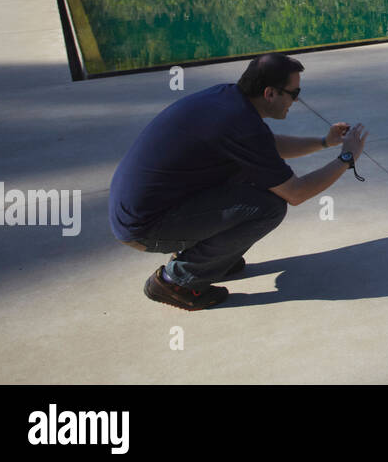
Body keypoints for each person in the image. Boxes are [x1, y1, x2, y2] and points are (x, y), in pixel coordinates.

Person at [109, 53, 369, 310]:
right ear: (270, 93)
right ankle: (175, 281)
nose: (297, 99)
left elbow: (267, 146)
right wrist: (346, 158)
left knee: (251, 179)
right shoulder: (241, 124)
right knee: (269, 207)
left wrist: (324, 142)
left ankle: (214, 256)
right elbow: (296, 192)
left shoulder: (227, 99)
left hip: (141, 209)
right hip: (145, 226)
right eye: (294, 92)